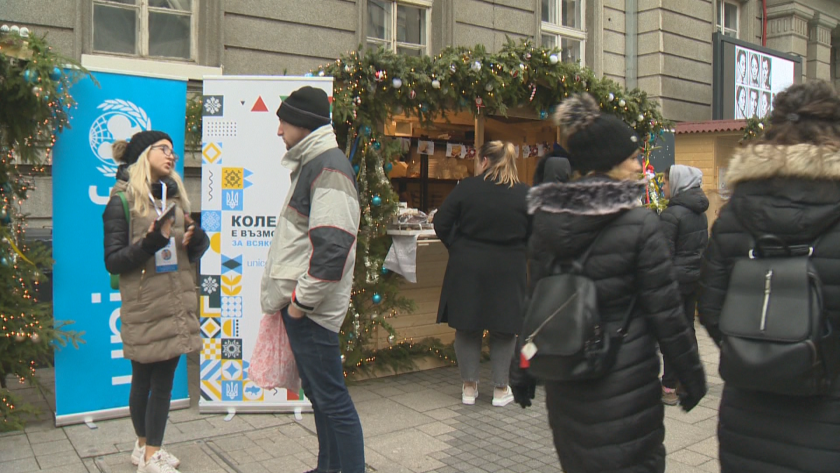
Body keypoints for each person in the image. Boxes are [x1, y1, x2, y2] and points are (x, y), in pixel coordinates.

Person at [510, 93, 707, 472]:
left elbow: (536, 302)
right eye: (632, 158)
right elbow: (666, 312)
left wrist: (522, 368)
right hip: (625, 383)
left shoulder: (546, 221)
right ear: (610, 164)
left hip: (565, 380)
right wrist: (690, 374)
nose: (639, 166)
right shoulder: (640, 225)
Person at [699, 80, 840, 472]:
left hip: (748, 414)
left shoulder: (735, 211)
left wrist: (762, 350)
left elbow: (710, 308)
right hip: (828, 418)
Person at [260, 86, 364, 473]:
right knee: (322, 397)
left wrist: (301, 304)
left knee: (332, 400)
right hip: (308, 307)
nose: (278, 131)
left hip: (313, 310)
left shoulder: (328, 166)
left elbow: (333, 245)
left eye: (282, 121)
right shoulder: (318, 162)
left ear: (302, 123)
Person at [103, 131, 209, 473]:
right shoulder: (120, 201)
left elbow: (187, 249)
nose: (173, 156)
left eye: (174, 151)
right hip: (145, 304)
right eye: (164, 149)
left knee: (163, 379)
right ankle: (148, 452)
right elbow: (114, 261)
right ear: (144, 155)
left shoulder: (174, 197)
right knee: (143, 379)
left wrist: (197, 241)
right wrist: (151, 241)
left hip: (177, 301)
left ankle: (148, 450)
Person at [434, 140, 529, 407]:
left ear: (485, 161)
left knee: (468, 326)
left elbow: (441, 222)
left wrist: (458, 246)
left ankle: (468, 388)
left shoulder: (467, 188)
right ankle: (500, 390)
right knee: (504, 329)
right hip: (509, 269)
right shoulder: (524, 194)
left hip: (468, 267)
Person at [658, 165, 709, 405]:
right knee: (687, 329)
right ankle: (686, 380)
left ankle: (668, 385)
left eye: (666, 182)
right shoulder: (700, 211)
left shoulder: (671, 215)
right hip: (693, 279)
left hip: (674, 282)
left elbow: (663, 254)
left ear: (677, 183)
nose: (662, 186)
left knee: (670, 332)